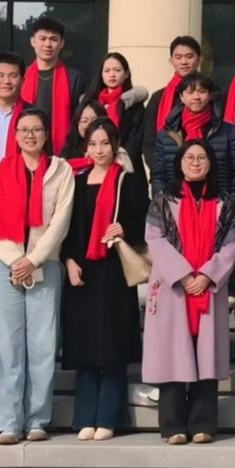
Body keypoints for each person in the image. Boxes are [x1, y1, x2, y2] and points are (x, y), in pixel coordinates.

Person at [0, 108, 76, 445]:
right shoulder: (0, 168)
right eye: (23, 129)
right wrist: (15, 260)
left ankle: (37, 419)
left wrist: (33, 259)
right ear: (15, 135)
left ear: (47, 134)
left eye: (37, 129)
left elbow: (61, 221)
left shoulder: (61, 170)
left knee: (42, 344)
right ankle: (8, 422)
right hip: (3, 264)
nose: (30, 135)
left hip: (44, 263)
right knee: (5, 345)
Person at [143, 140, 235, 445]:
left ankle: (203, 423)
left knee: (206, 357)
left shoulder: (224, 204)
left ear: (211, 163)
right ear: (180, 163)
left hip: (208, 288)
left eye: (202, 157)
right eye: (190, 157)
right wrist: (184, 275)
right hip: (174, 289)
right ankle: (172, 425)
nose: (196, 162)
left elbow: (231, 244)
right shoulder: (163, 201)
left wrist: (208, 275)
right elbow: (155, 240)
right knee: (173, 355)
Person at [60, 119, 148, 441]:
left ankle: (109, 417)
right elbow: (66, 228)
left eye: (105, 143)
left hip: (113, 273)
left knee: (111, 344)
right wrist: (69, 260)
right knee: (85, 345)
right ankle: (85, 415)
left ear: (115, 145)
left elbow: (145, 221)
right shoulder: (75, 182)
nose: (99, 150)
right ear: (86, 147)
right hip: (82, 271)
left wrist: (125, 228)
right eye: (93, 144)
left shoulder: (130, 181)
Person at [150, 73, 235, 308]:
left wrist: (231, 204)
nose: (197, 97)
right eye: (190, 91)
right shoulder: (167, 134)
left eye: (202, 91)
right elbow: (159, 173)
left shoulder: (229, 131)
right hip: (178, 208)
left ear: (210, 95)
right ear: (181, 96)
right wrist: (164, 205)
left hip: (219, 207)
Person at [21, 17, 86, 154]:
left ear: (61, 43)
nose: (48, 44)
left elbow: (79, 118)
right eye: (42, 39)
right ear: (33, 41)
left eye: (53, 39)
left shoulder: (74, 77)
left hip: (65, 152)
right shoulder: (21, 77)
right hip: (27, 150)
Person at [82, 52, 148, 174]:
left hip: (126, 166)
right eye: (107, 71)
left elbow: (135, 140)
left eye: (117, 70)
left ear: (126, 74)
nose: (112, 75)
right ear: (101, 74)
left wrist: (118, 161)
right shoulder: (90, 103)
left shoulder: (134, 103)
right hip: (93, 165)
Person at [143, 36, 203, 167]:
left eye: (189, 56)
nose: (184, 62)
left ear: (199, 59)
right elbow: (149, 141)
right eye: (178, 57)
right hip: (166, 171)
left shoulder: (212, 96)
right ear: (171, 61)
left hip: (203, 168)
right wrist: (159, 169)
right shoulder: (158, 98)